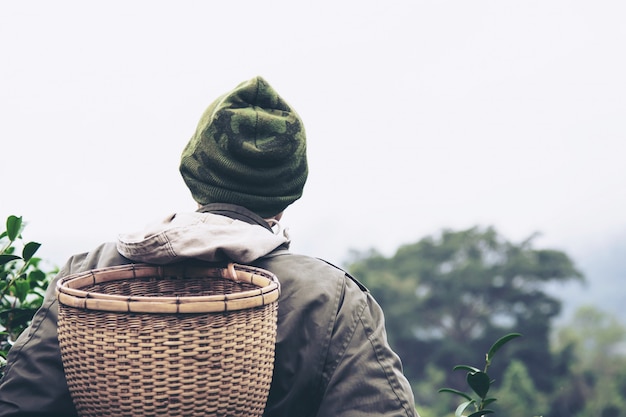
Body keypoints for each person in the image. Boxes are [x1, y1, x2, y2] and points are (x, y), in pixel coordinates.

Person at [0, 76, 419, 416]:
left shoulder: (90, 272)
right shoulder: (332, 298)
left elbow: (19, 404)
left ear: (193, 170)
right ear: (290, 190)